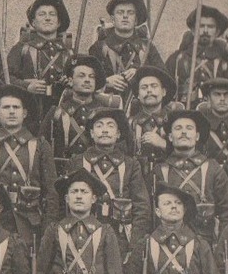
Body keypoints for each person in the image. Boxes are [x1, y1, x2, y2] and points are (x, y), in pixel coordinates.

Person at [37, 170, 126, 274]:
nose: (79, 196)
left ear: (93, 199)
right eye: (74, 192)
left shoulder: (106, 232)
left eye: (84, 192)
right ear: (66, 198)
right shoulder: (54, 231)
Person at [0, 84, 58, 238]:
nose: (11, 111)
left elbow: (51, 193)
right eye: (6, 107)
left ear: (24, 113)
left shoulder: (40, 146)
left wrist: (48, 231)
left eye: (16, 107)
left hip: (31, 226)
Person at [153, 108, 228, 241]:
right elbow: (152, 216)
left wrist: (221, 250)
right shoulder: (159, 171)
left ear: (197, 136)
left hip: (205, 246)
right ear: (170, 137)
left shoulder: (213, 169)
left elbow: (227, 215)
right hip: (168, 246)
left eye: (189, 128)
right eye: (178, 128)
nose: (184, 132)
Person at [72, 107, 147, 244]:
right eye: (99, 126)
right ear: (92, 133)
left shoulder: (130, 164)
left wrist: (134, 243)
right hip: (84, 235)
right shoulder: (78, 162)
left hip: (120, 236)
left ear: (118, 134)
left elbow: (141, 206)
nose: (105, 130)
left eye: (110, 126)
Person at [41, 56, 120, 171]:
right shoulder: (56, 113)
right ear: (70, 80)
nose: (87, 80)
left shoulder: (107, 113)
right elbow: (42, 149)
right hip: (64, 173)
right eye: (81, 76)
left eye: (91, 77)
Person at [6, 0, 74, 108]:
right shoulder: (22, 48)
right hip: (29, 108)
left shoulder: (68, 52)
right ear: (33, 22)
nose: (47, 18)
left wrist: (70, 82)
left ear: (59, 22)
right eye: (42, 14)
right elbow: (6, 77)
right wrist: (26, 86)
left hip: (61, 110)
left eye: (52, 14)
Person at [90, 0, 164, 94]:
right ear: (113, 19)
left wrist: (141, 74)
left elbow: (164, 76)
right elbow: (86, 79)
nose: (125, 16)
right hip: (108, 105)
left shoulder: (147, 47)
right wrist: (105, 82)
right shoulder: (99, 47)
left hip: (141, 104)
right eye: (120, 12)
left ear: (136, 20)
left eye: (130, 13)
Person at [165, 5, 228, 104]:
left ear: (217, 32)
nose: (205, 31)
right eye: (201, 26)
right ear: (193, 30)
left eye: (211, 27)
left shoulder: (223, 65)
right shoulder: (177, 60)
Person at [125, 64, 183, 179]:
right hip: (138, 182)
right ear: (138, 95)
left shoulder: (176, 123)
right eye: (144, 87)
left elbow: (188, 155)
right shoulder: (129, 124)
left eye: (154, 86)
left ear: (164, 92)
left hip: (171, 180)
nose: (149, 91)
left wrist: (164, 144)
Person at [196, 77, 228, 165]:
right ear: (208, 99)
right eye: (217, 94)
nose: (222, 99)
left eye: (227, 95)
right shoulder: (201, 124)